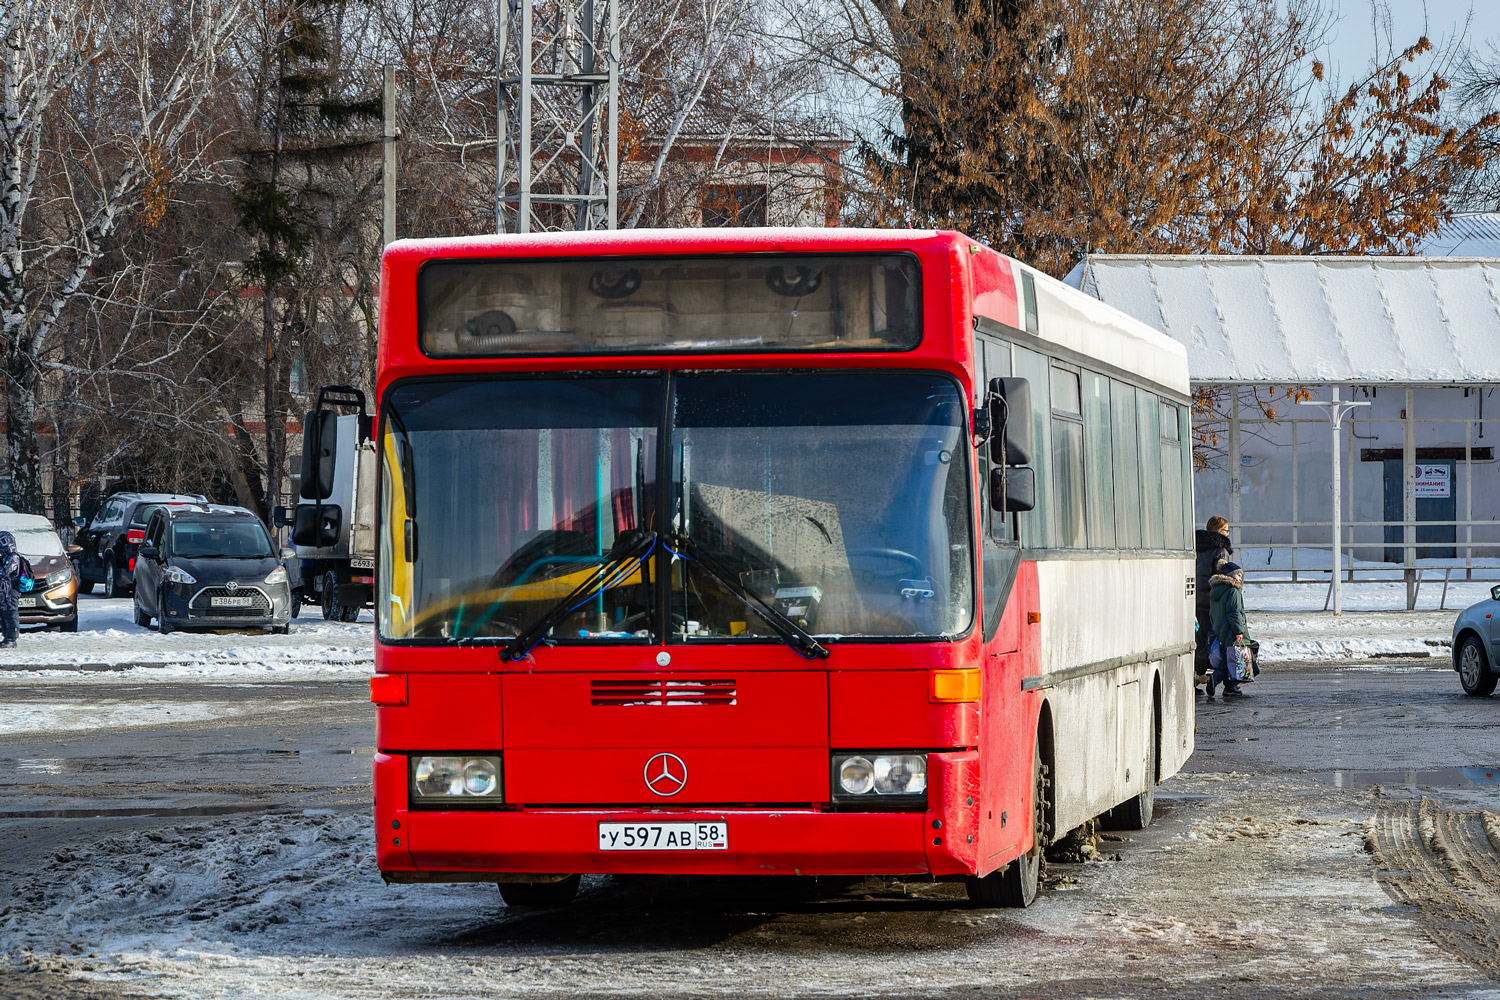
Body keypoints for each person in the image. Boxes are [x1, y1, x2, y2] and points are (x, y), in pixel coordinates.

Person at [1194, 515, 1233, 695]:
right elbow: (1221, 574)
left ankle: (1195, 676)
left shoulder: (1198, 546)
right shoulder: (1220, 548)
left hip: (1196, 599)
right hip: (1213, 600)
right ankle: (1227, 681)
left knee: (1200, 637)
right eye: (1226, 530)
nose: (1228, 533)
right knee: (1219, 639)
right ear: (1219, 531)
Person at [1207, 560, 1251, 698]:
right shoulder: (1233, 591)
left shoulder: (1216, 590)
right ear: (1231, 575)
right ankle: (1219, 680)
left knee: (1230, 656)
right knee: (1235, 658)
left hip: (1221, 629)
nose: (1240, 578)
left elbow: (1211, 614)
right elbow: (1235, 612)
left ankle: (1230, 687)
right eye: (1238, 575)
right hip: (1232, 630)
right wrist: (1239, 631)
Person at [0, 531, 19, 649]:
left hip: (10, 591)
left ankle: (12, 638)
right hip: (3, 592)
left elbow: (5, 572)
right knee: (4, 613)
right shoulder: (4, 557)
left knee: (10, 613)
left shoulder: (12, 557)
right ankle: (6, 636)